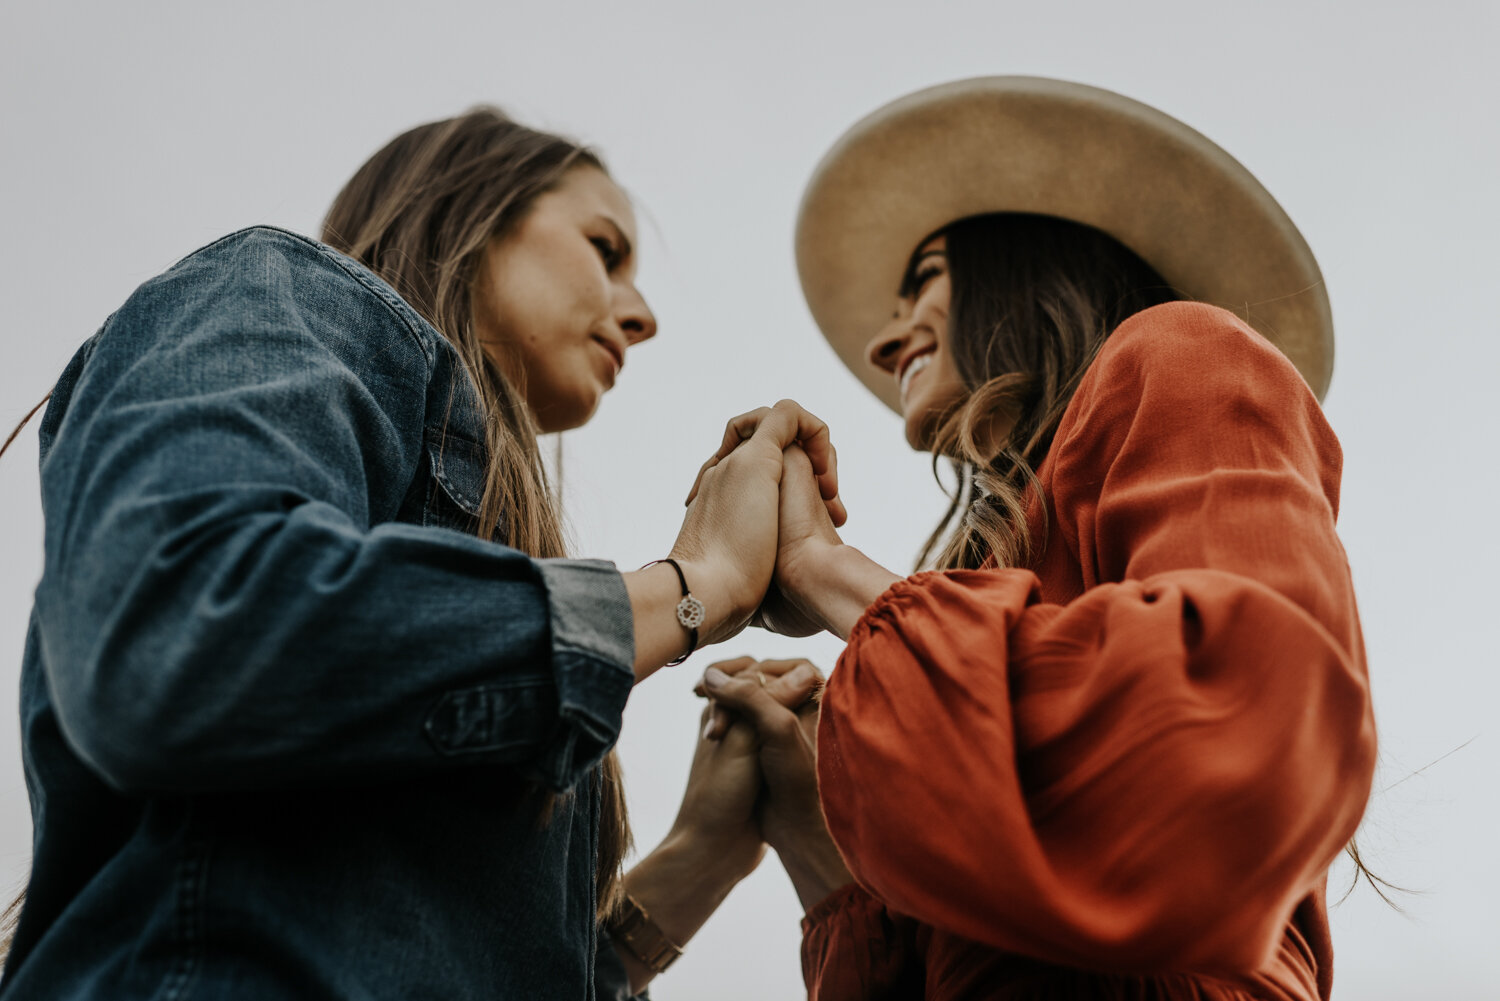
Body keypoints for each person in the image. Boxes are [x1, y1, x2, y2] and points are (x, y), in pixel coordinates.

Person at [0, 107, 841, 1000]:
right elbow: (179, 627)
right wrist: (692, 585)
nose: (640, 316)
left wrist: (697, 858)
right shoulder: (281, 288)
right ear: (475, 209)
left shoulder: (482, 555)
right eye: (605, 248)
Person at [699, 77, 1376, 1000]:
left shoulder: (1181, 351)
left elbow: (1243, 703)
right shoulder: (994, 567)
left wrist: (829, 574)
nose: (884, 342)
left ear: (1026, 263)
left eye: (924, 278)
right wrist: (817, 829)